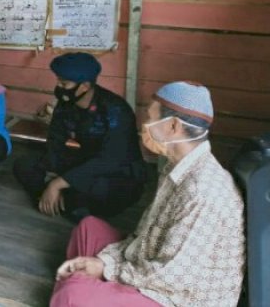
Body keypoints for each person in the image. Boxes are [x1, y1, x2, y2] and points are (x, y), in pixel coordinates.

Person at [51, 82, 245, 307]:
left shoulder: (202, 191)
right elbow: (145, 233)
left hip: (176, 297)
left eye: (151, 118)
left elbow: (170, 276)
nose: (145, 126)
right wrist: (105, 261)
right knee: (88, 228)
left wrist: (107, 267)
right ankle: (84, 289)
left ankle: (77, 292)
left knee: (73, 294)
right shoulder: (177, 166)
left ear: (173, 126)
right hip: (149, 263)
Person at [13, 52, 146, 221]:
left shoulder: (115, 110)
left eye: (64, 83)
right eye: (58, 81)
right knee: (25, 164)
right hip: (85, 161)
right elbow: (55, 143)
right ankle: (62, 200)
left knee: (105, 190)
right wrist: (57, 173)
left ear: (84, 86)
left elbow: (111, 160)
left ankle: (63, 199)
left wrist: (59, 182)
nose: (59, 87)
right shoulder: (66, 105)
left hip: (119, 171)